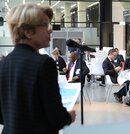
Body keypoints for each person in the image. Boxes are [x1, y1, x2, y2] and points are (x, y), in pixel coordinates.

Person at [0, 3, 75, 134]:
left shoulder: (3, 64)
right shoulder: (44, 63)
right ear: (28, 31)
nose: (50, 30)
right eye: (45, 24)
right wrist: (69, 116)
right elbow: (57, 117)